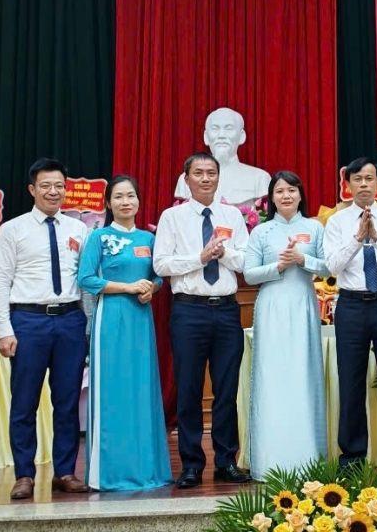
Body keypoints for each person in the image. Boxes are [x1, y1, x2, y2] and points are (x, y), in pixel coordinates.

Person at [0, 158, 92, 500]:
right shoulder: (13, 229)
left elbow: (85, 282)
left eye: (59, 185)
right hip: (28, 321)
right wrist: (4, 329)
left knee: (67, 402)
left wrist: (88, 326)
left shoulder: (79, 230)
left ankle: (65, 472)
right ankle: (24, 475)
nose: (53, 191)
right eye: (46, 185)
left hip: (70, 320)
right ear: (32, 189)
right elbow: (0, 281)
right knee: (24, 403)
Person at [154, 153, 252, 489]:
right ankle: (191, 465)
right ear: (187, 179)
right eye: (199, 173)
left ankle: (226, 461)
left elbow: (246, 261)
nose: (206, 178)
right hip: (189, 311)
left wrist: (225, 253)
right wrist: (200, 257)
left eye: (211, 172)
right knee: (189, 388)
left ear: (218, 177)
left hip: (226, 310)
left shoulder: (232, 216)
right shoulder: (172, 217)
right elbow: (161, 264)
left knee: (226, 389)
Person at [78, 175, 171, 491]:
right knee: (113, 390)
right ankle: (110, 472)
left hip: (140, 319)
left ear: (139, 201)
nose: (125, 202)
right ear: (108, 203)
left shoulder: (148, 239)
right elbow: (86, 279)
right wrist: (127, 287)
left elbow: (158, 276)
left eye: (131, 195)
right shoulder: (99, 237)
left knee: (141, 388)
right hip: (111, 317)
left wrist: (151, 289)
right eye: (118, 196)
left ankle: (146, 468)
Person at [324, 158, 377, 467]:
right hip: (351, 306)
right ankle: (352, 459)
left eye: (369, 178)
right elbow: (332, 265)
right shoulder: (337, 222)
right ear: (348, 185)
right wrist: (357, 239)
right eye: (357, 179)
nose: (364, 184)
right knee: (351, 385)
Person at [244, 171, 329, 478]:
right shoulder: (262, 232)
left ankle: (308, 459)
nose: (286, 196)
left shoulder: (315, 227)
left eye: (292, 190)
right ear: (272, 197)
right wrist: (278, 265)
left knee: (304, 376)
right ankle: (269, 460)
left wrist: (303, 261)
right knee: (272, 379)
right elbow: (249, 274)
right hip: (271, 307)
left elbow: (329, 266)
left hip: (303, 305)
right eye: (280, 191)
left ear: (300, 194)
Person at [174, 108, 271, 204]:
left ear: (242, 136)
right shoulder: (187, 180)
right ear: (206, 137)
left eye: (229, 129)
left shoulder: (260, 178)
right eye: (215, 129)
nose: (221, 135)